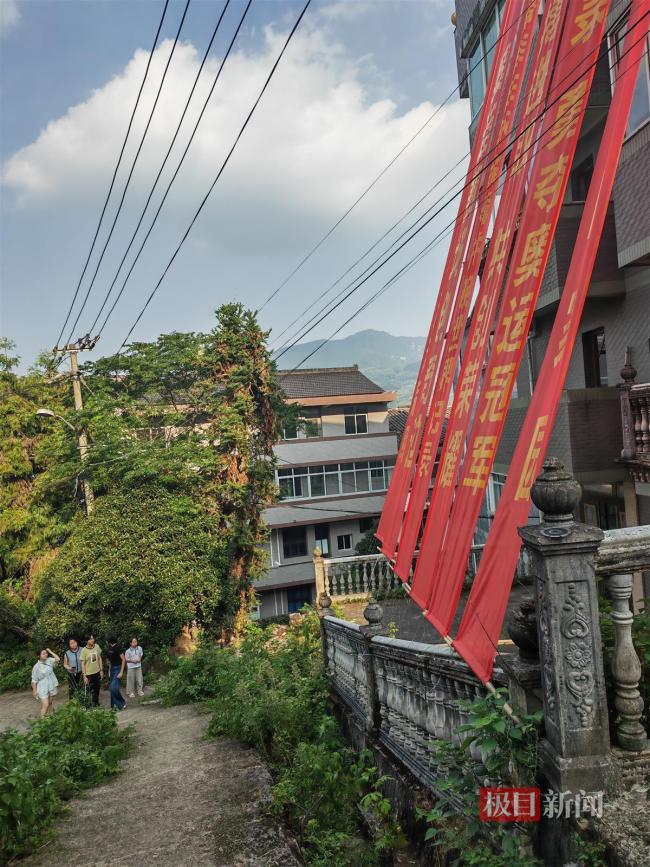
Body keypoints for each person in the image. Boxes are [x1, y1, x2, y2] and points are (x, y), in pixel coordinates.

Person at [31, 648, 60, 718]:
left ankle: (51, 717)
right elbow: (34, 680)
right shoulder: (36, 667)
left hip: (51, 684)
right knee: (45, 705)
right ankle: (42, 721)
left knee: (50, 703)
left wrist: (50, 651)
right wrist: (34, 690)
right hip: (42, 686)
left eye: (46, 653)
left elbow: (58, 659)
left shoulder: (49, 660)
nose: (45, 654)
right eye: (43, 653)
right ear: (39, 656)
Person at [80, 634, 103, 707]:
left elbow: (99, 658)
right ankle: (87, 706)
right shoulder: (84, 650)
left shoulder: (97, 646)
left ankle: (96, 703)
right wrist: (84, 676)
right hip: (89, 674)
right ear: (87, 641)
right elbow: (82, 663)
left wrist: (101, 670)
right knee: (89, 690)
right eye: (90, 639)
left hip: (97, 672)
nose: (93, 640)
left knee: (97, 689)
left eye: (93, 638)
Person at [105, 636, 127, 710]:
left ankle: (122, 703)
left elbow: (123, 659)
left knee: (113, 688)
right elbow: (110, 660)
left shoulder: (118, 647)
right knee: (112, 687)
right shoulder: (109, 648)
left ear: (109, 641)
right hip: (112, 669)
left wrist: (121, 672)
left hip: (118, 669)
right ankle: (114, 705)